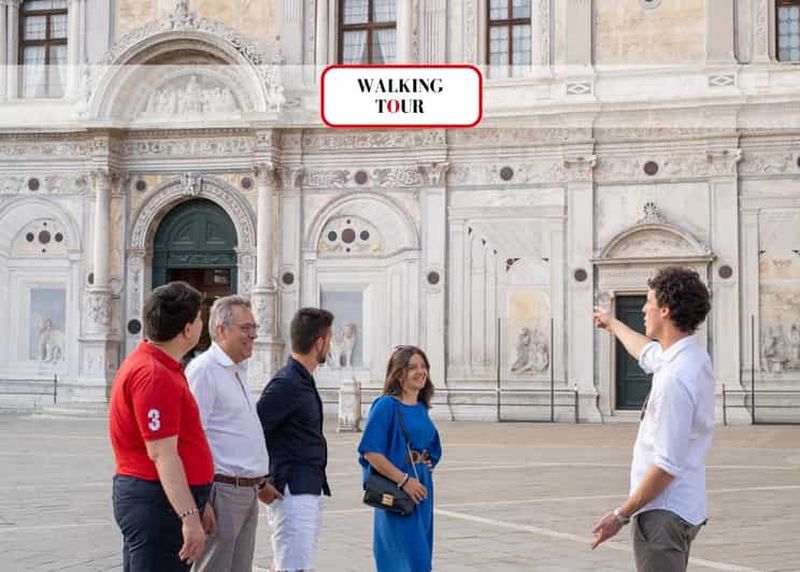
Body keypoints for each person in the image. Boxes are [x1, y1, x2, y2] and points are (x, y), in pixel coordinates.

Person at [590, 266, 713, 572]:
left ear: (665, 311)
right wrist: (612, 324)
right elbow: (647, 353)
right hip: (683, 506)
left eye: (648, 302)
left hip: (662, 513)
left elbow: (667, 465)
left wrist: (621, 515)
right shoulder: (692, 358)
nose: (643, 309)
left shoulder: (674, 379)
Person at [109, 281, 214, 571]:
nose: (201, 324)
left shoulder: (160, 366)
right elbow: (162, 454)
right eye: (199, 319)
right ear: (187, 329)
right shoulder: (154, 376)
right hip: (155, 500)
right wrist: (189, 516)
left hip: (161, 498)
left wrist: (197, 501)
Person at [186, 295, 283, 572]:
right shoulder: (205, 370)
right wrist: (200, 500)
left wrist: (260, 482)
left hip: (246, 490)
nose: (253, 334)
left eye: (254, 327)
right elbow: (194, 438)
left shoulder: (236, 370)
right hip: (222, 492)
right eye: (246, 328)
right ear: (221, 330)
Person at [256, 307, 334, 572]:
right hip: (292, 490)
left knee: (294, 565)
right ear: (319, 342)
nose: (329, 345)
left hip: (307, 486)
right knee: (293, 567)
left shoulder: (301, 380)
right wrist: (260, 482)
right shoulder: (287, 383)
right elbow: (254, 429)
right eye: (330, 339)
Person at [358, 345, 442, 572]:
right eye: (412, 367)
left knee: (422, 558)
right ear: (399, 373)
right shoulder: (386, 406)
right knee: (412, 563)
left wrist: (425, 462)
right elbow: (370, 451)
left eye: (424, 366)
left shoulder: (421, 407)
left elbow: (430, 445)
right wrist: (405, 480)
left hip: (422, 489)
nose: (420, 371)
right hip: (398, 490)